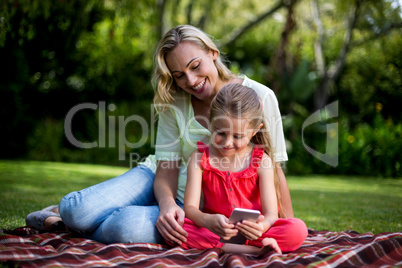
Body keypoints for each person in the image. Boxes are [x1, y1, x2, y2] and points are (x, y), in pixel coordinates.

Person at [26, 25, 294, 245]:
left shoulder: (259, 96)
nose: (190, 81)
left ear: (213, 53)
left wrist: (283, 226)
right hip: (159, 180)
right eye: (179, 75)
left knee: (126, 228)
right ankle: (60, 215)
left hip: (198, 210)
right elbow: (166, 166)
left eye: (195, 65)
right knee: (78, 210)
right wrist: (166, 206)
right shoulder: (175, 100)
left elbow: (274, 167)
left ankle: (63, 227)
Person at [165, 84, 307, 254]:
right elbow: (190, 209)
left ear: (255, 131)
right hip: (215, 231)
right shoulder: (199, 158)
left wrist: (260, 228)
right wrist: (207, 220)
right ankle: (255, 251)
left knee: (298, 229)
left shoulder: (262, 161)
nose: (227, 142)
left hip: (253, 232)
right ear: (210, 122)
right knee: (177, 230)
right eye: (220, 133)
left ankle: (234, 248)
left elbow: (271, 214)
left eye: (238, 136)